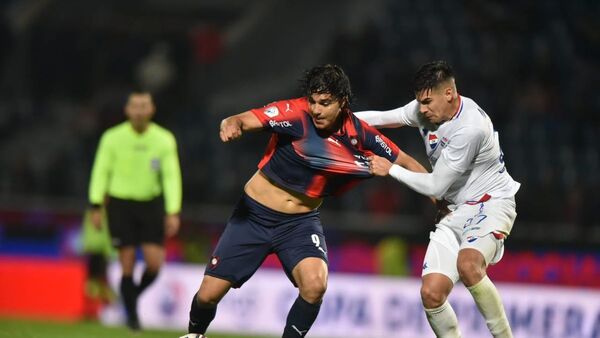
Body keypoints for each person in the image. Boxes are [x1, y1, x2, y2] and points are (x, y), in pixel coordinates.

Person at [179, 64, 428, 338]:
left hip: (299, 224)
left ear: (342, 102)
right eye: (313, 101)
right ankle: (194, 334)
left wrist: (437, 195)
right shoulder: (295, 113)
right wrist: (232, 123)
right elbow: (245, 118)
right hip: (254, 217)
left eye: (325, 102)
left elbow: (404, 161)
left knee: (315, 285)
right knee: (207, 296)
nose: (317, 109)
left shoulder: (360, 133)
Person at [355, 60, 520, 338]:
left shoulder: (470, 128)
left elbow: (435, 184)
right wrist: (338, 120)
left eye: (428, 102)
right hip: (454, 211)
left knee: (468, 265)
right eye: (419, 102)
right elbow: (381, 118)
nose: (422, 109)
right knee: (431, 294)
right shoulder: (426, 111)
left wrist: (391, 169)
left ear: (449, 94)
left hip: (491, 204)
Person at [88, 91, 182, 331]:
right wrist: (95, 204)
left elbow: (171, 176)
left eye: (144, 106)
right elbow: (101, 171)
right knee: (126, 262)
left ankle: (131, 297)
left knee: (154, 264)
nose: (139, 110)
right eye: (135, 106)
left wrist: (173, 210)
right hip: (120, 204)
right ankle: (132, 316)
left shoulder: (164, 139)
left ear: (152, 110)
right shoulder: (112, 138)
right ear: (127, 110)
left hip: (150, 204)